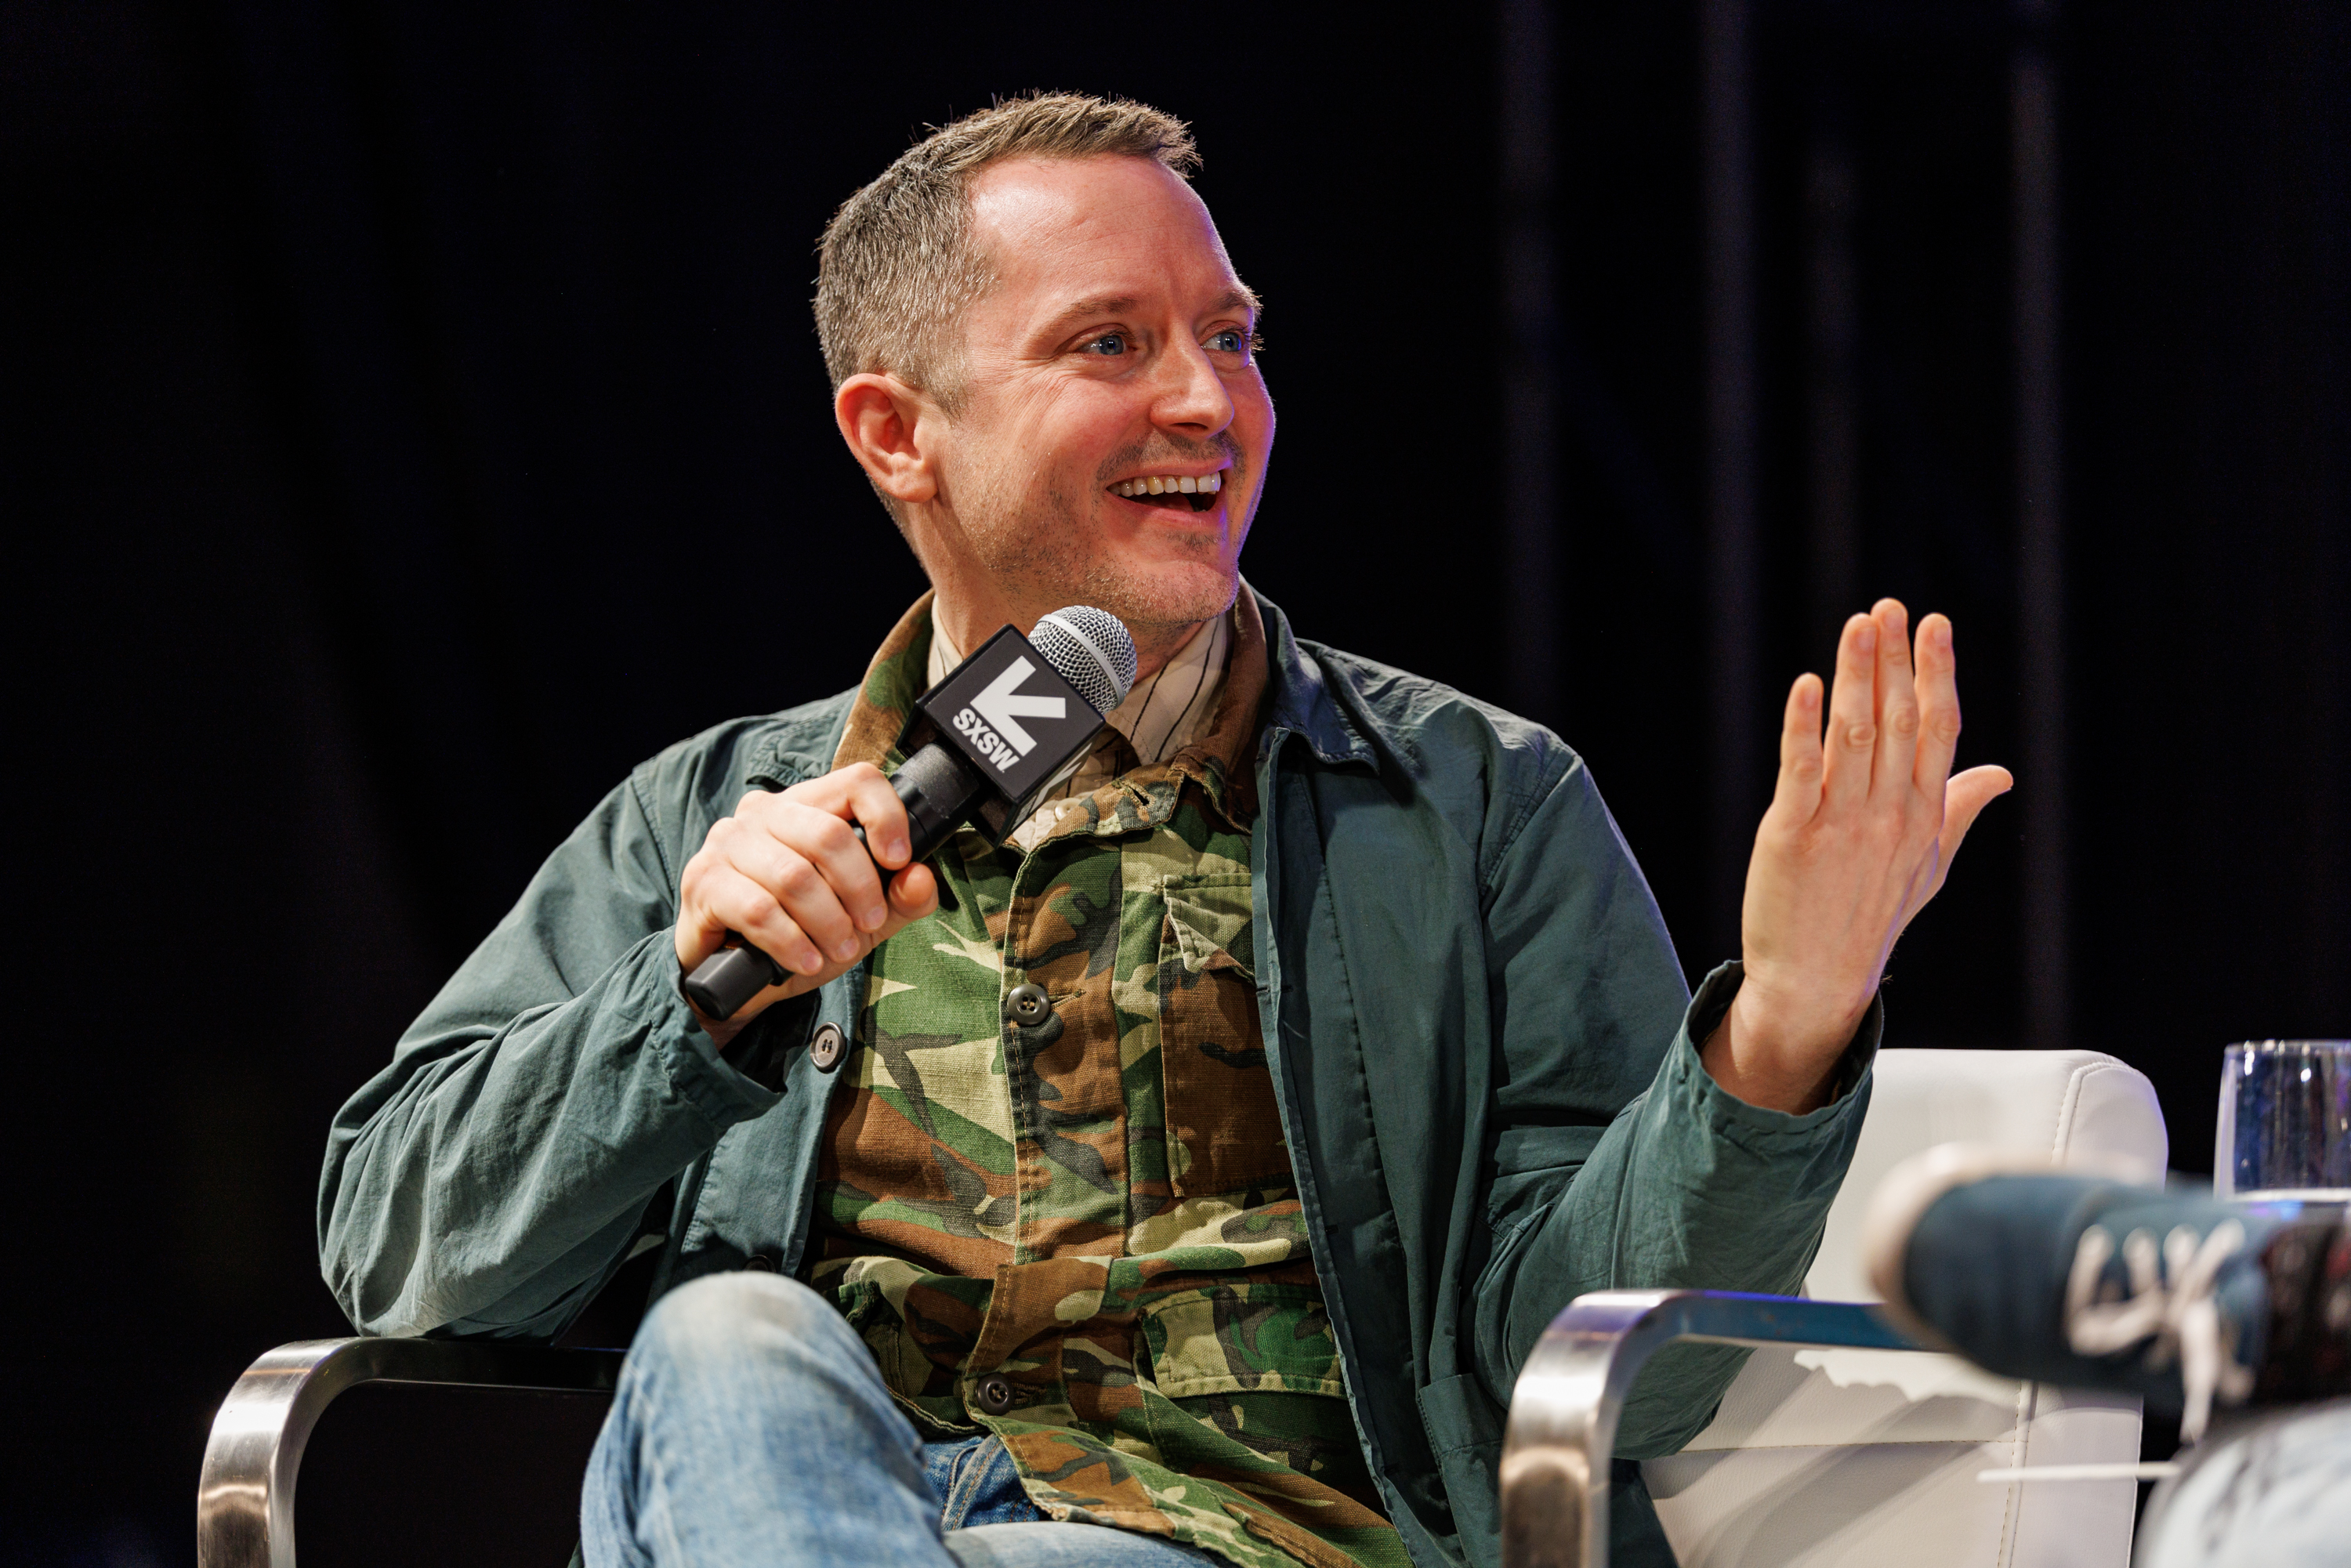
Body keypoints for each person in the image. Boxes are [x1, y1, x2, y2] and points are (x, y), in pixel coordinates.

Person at [317, 93, 2012, 1568]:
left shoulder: (1472, 802)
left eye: (1236, 335)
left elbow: (1575, 1348)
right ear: (898, 432)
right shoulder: (721, 814)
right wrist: (687, 1003)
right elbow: (399, 1249)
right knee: (732, 1347)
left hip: (1227, 1540)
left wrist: (1783, 1025)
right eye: (1111, 342)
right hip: (790, 1494)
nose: (1210, 400)